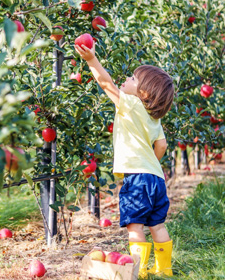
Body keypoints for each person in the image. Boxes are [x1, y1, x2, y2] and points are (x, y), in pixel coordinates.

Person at [75, 42, 174, 278]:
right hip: (156, 179)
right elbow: (162, 145)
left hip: (137, 179)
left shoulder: (131, 105)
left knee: (135, 227)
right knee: (157, 225)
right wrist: (151, 163)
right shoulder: (154, 119)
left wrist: (91, 60)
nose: (126, 79)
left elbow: (106, 84)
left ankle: (138, 271)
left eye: (132, 78)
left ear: (144, 93)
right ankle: (165, 269)